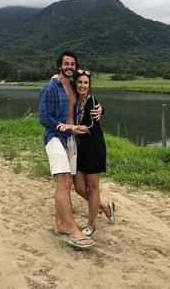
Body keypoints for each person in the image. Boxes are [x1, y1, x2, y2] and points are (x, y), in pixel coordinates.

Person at [38, 51, 95, 249]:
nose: (69, 67)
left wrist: (100, 108)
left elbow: (86, 97)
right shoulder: (51, 87)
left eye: (72, 64)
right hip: (55, 138)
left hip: (72, 141)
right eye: (66, 64)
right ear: (60, 66)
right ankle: (72, 229)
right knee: (64, 181)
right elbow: (44, 117)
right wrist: (63, 126)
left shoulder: (72, 86)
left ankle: (59, 224)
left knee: (66, 184)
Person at [72, 69, 115, 237]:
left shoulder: (93, 101)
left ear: (89, 85)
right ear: (75, 84)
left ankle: (90, 224)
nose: (82, 85)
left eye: (85, 83)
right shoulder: (74, 101)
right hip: (80, 149)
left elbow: (90, 127)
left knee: (93, 187)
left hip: (94, 148)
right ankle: (104, 206)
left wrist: (69, 129)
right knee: (79, 189)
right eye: (79, 82)